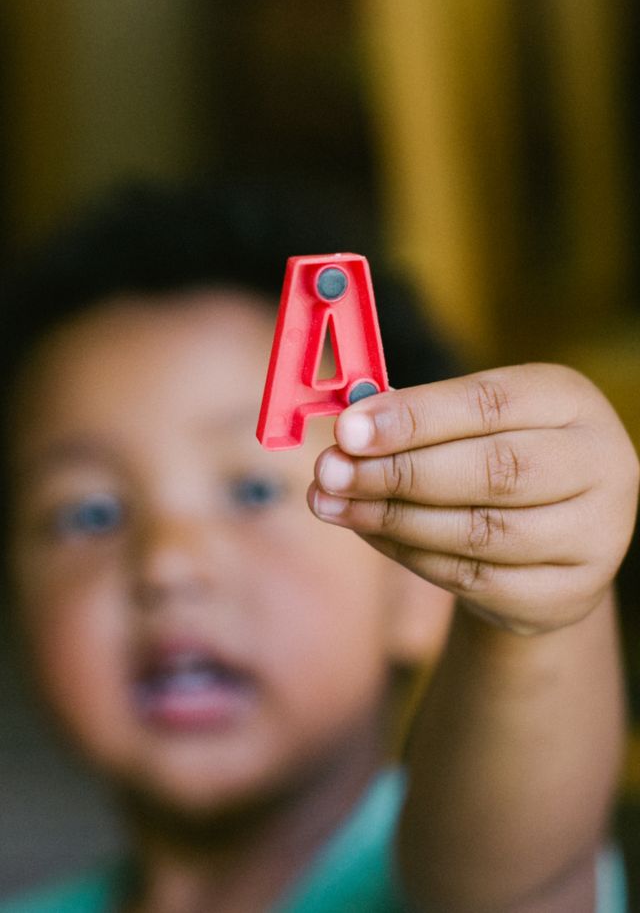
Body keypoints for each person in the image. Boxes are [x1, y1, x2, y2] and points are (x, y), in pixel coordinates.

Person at [0, 179, 636, 913]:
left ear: (423, 586)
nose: (167, 564)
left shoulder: (466, 863)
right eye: (91, 513)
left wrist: (538, 617)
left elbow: (522, 877)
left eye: (253, 494)